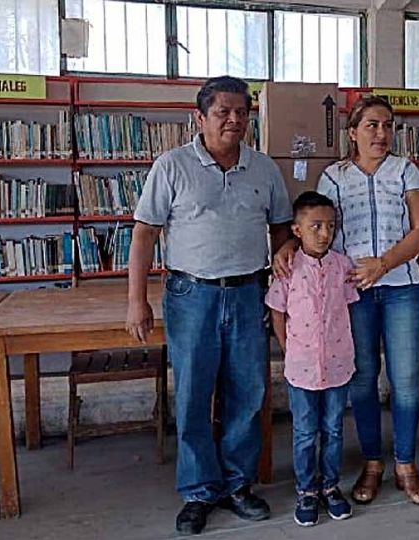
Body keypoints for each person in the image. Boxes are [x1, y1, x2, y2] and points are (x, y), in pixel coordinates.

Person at [126, 75, 292, 536]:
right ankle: (200, 490)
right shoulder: (172, 165)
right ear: (199, 118)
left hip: (247, 294)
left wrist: (282, 259)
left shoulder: (263, 169)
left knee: (247, 393)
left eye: (241, 112)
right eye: (223, 112)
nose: (234, 120)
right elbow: (144, 233)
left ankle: (238, 485)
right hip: (191, 295)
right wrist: (136, 300)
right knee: (195, 395)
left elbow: (281, 226)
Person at [274, 96, 419, 505]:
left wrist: (384, 264)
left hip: (401, 287)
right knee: (361, 380)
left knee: (405, 381)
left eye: (387, 125)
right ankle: (372, 462)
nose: (381, 133)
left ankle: (406, 464)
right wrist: (289, 245)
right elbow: (316, 223)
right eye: (371, 126)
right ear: (353, 132)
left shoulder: (405, 171)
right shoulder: (335, 176)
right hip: (352, 292)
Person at [266, 191, 360, 527]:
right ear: (296, 230)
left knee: (333, 429)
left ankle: (330, 486)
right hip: (301, 367)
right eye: (315, 226)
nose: (324, 233)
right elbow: (277, 311)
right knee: (305, 432)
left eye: (330, 226)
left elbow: (349, 305)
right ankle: (306, 490)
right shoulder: (288, 268)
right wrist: (287, 347)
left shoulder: (342, 266)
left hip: (337, 364)